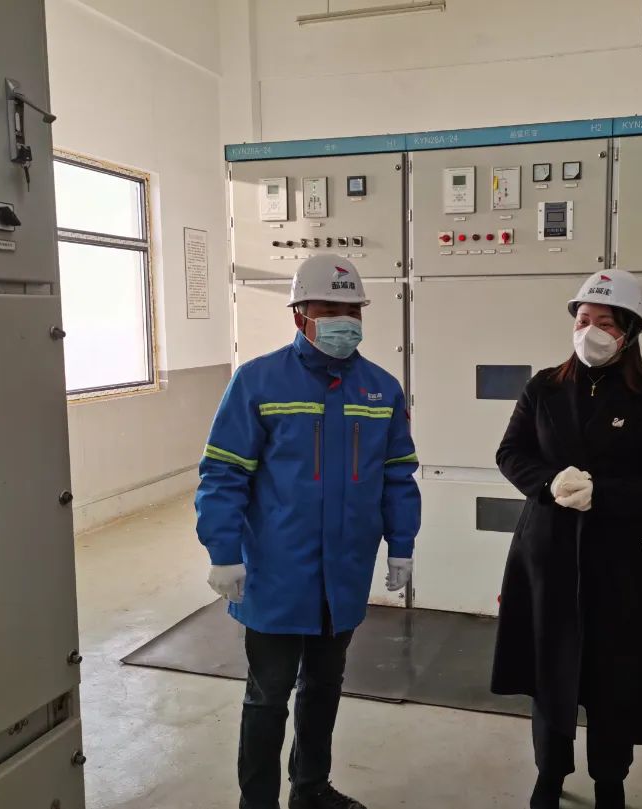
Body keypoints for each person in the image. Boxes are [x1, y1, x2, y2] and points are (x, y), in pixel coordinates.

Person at [195, 255, 421, 809]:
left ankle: (310, 789)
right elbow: (223, 474)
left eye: (353, 310)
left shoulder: (381, 389)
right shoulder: (258, 381)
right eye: (329, 308)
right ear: (300, 314)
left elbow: (398, 475)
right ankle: (258, 803)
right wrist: (223, 551)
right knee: (268, 694)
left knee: (323, 686)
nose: (344, 320)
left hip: (342, 575)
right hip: (277, 572)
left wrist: (402, 545)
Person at [491, 269, 642, 809]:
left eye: (605, 322)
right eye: (583, 320)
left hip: (615, 555)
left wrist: (605, 493)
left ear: (629, 332)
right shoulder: (544, 388)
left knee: (612, 673)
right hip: (546, 549)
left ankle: (610, 780)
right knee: (549, 666)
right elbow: (510, 453)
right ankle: (549, 773)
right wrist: (547, 483)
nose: (591, 331)